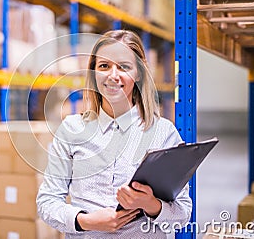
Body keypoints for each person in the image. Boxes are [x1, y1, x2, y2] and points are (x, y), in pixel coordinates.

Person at [37, 30, 192, 238]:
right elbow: (47, 202)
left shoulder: (164, 133)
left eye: (124, 67)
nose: (113, 75)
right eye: (104, 66)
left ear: (139, 74)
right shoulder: (72, 129)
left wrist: (151, 205)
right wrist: (84, 220)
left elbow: (183, 215)